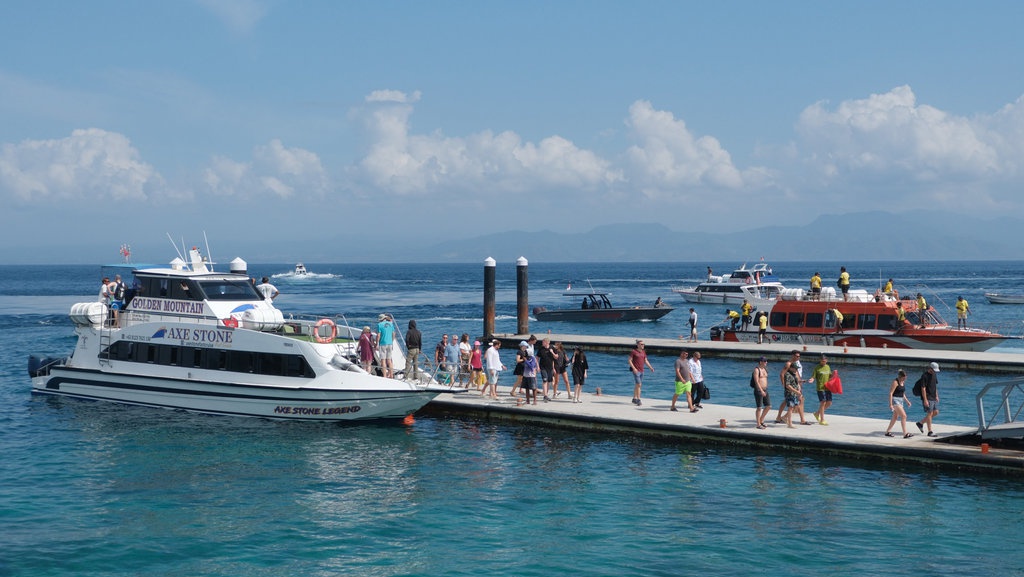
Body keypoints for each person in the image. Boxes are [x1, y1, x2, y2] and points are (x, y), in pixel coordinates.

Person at [775, 350, 810, 425]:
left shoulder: (796, 363)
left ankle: (779, 417)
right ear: (793, 355)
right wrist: (785, 385)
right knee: (798, 401)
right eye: (797, 356)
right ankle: (801, 420)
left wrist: (800, 383)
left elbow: (797, 375)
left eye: (799, 356)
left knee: (788, 401)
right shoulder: (789, 364)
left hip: (797, 384)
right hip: (790, 386)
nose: (798, 357)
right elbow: (782, 374)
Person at [885, 369, 914, 438]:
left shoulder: (902, 382)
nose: (905, 379)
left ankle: (887, 431)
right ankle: (905, 433)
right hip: (895, 400)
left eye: (905, 378)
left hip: (901, 400)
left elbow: (903, 393)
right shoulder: (895, 382)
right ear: (900, 376)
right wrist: (890, 404)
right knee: (904, 416)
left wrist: (907, 401)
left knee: (895, 417)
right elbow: (891, 393)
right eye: (904, 378)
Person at [916, 362, 941, 437]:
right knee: (929, 413)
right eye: (934, 370)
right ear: (930, 368)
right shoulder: (924, 376)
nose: (935, 371)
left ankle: (920, 423)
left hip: (933, 396)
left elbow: (935, 386)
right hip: (927, 397)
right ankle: (930, 432)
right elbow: (923, 388)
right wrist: (925, 399)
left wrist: (937, 395)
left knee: (936, 412)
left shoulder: (934, 374)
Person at [628, 340, 655, 406]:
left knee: (637, 385)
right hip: (636, 371)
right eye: (641, 344)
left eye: (643, 344)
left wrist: (650, 367)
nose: (643, 345)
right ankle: (638, 399)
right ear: (637, 345)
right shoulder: (633, 352)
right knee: (639, 384)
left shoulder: (643, 352)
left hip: (641, 370)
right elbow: (629, 360)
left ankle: (634, 398)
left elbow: (645, 360)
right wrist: (634, 368)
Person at [810, 355, 832, 425]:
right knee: (823, 402)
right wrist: (812, 379)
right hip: (820, 388)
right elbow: (813, 376)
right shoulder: (817, 367)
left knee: (829, 403)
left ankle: (817, 413)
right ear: (820, 360)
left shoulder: (828, 367)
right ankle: (822, 420)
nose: (824, 362)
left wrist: (834, 375)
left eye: (825, 361)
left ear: (827, 361)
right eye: (822, 361)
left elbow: (830, 376)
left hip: (828, 387)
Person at [781, 364, 802, 429]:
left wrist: (799, 390)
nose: (796, 370)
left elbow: (796, 383)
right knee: (791, 407)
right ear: (791, 368)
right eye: (795, 368)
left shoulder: (794, 374)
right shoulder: (787, 375)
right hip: (789, 393)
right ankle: (790, 423)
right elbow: (787, 385)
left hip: (795, 393)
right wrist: (796, 391)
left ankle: (784, 417)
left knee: (796, 407)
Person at [752, 357, 771, 429]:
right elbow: (756, 381)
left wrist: (764, 389)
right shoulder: (756, 370)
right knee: (759, 407)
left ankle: (761, 420)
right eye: (765, 361)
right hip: (759, 390)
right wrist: (761, 390)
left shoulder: (765, 369)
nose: (766, 362)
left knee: (768, 406)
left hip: (765, 389)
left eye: (766, 361)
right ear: (760, 362)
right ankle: (758, 424)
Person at [375, 314, 396, 378]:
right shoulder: (391, 324)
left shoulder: (379, 325)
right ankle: (391, 375)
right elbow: (394, 333)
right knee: (389, 360)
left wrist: (376, 344)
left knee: (383, 360)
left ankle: (384, 376)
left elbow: (378, 335)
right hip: (390, 343)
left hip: (382, 343)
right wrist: (391, 341)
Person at [537, 337, 556, 401]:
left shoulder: (552, 348)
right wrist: (537, 366)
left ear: (547, 342)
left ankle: (546, 395)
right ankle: (545, 395)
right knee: (545, 380)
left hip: (550, 367)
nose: (542, 343)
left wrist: (552, 352)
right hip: (543, 367)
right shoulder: (541, 349)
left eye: (543, 342)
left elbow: (556, 357)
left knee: (548, 381)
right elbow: (537, 358)